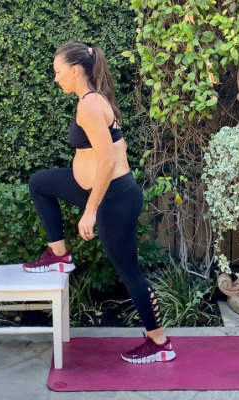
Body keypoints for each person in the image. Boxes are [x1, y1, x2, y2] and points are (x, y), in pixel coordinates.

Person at [23, 41, 176, 364]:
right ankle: (59, 255)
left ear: (75, 71)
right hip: (96, 188)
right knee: (40, 183)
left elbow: (107, 161)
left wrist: (90, 211)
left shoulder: (90, 105)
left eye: (58, 72)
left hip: (114, 197)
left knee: (129, 272)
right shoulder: (91, 100)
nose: (56, 78)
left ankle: (159, 342)